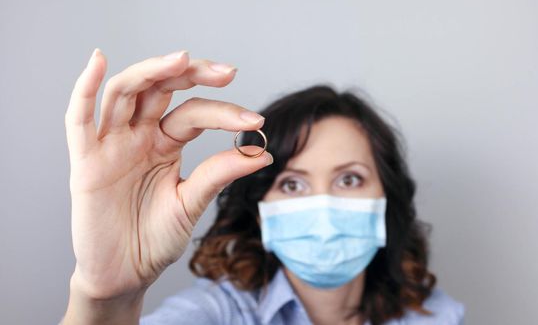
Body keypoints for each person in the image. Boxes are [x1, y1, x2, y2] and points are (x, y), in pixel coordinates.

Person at [61, 50, 464, 325]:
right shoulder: (218, 313)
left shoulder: (433, 315)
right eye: (291, 183)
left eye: (349, 179)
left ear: (386, 198)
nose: (322, 206)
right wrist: (104, 300)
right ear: (259, 208)